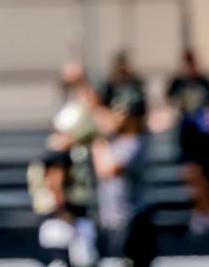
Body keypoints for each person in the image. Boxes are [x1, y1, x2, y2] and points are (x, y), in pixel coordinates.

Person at [30, 61, 100, 266]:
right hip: (61, 219)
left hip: (70, 216)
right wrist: (65, 213)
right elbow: (55, 183)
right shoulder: (59, 152)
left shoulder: (67, 148)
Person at [165, 49, 209, 235]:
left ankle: (206, 211)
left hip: (202, 136)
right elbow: (169, 101)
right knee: (190, 175)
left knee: (202, 175)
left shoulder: (204, 81)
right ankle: (204, 210)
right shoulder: (177, 82)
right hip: (185, 134)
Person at [92, 99, 154, 266]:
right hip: (111, 216)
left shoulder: (136, 142)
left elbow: (108, 170)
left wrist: (99, 142)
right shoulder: (117, 141)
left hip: (129, 217)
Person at [99, 51, 147, 133]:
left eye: (124, 65)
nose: (122, 68)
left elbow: (142, 106)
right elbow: (103, 105)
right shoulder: (110, 85)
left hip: (134, 124)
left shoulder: (135, 83)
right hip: (115, 125)